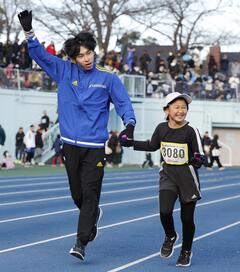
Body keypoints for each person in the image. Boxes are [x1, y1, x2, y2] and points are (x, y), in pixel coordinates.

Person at [18, 10, 136, 261]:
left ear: (94, 52)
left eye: (89, 53)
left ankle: (81, 242)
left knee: (90, 193)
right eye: (80, 55)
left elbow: (124, 103)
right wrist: (29, 33)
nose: (86, 59)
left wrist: (129, 124)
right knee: (78, 195)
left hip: (94, 147)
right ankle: (91, 214)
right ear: (72, 58)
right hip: (70, 145)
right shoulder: (63, 71)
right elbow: (39, 55)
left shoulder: (108, 78)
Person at [120, 92, 205, 267]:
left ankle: (186, 251)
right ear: (166, 110)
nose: (181, 111)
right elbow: (152, 146)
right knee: (165, 211)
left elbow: (201, 157)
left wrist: (198, 159)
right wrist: (131, 143)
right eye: (177, 107)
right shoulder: (161, 128)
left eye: (184, 107)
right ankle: (170, 235)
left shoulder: (191, 131)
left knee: (187, 219)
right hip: (168, 175)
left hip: (187, 179)